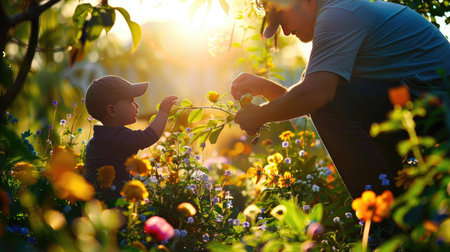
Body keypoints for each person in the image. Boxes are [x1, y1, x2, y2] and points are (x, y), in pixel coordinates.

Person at [232, 0, 450, 198]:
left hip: (438, 103)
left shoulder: (338, 14)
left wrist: (260, 115)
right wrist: (264, 87)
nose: (286, 32)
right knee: (331, 105)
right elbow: (311, 99)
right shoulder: (337, 15)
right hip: (422, 101)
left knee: (330, 105)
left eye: (284, 20)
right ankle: (395, 207)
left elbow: (318, 96)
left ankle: (382, 218)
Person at [83, 75, 177, 202]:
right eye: (131, 101)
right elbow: (147, 137)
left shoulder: (103, 137)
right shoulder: (115, 137)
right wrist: (164, 112)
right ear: (112, 110)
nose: (136, 105)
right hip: (110, 204)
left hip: (98, 201)